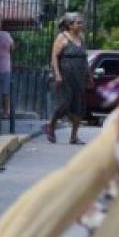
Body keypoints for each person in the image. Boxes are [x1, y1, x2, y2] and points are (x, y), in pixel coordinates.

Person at [43, 13, 90, 144]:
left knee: (79, 105)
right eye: (78, 23)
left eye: (82, 22)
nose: (81, 25)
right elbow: (54, 57)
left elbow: (84, 58)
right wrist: (57, 74)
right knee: (64, 103)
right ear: (70, 25)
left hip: (80, 76)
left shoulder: (82, 37)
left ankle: (74, 136)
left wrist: (89, 75)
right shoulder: (62, 37)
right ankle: (51, 125)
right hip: (66, 76)